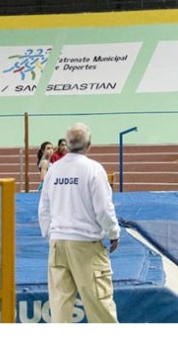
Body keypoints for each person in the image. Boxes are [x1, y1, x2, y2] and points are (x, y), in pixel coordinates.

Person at [38, 122, 120, 323]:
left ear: (66, 143)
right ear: (89, 145)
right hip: (85, 245)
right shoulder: (93, 170)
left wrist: (51, 235)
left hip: (58, 244)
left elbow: (44, 208)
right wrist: (113, 233)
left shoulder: (54, 170)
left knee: (59, 309)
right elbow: (103, 209)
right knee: (100, 308)